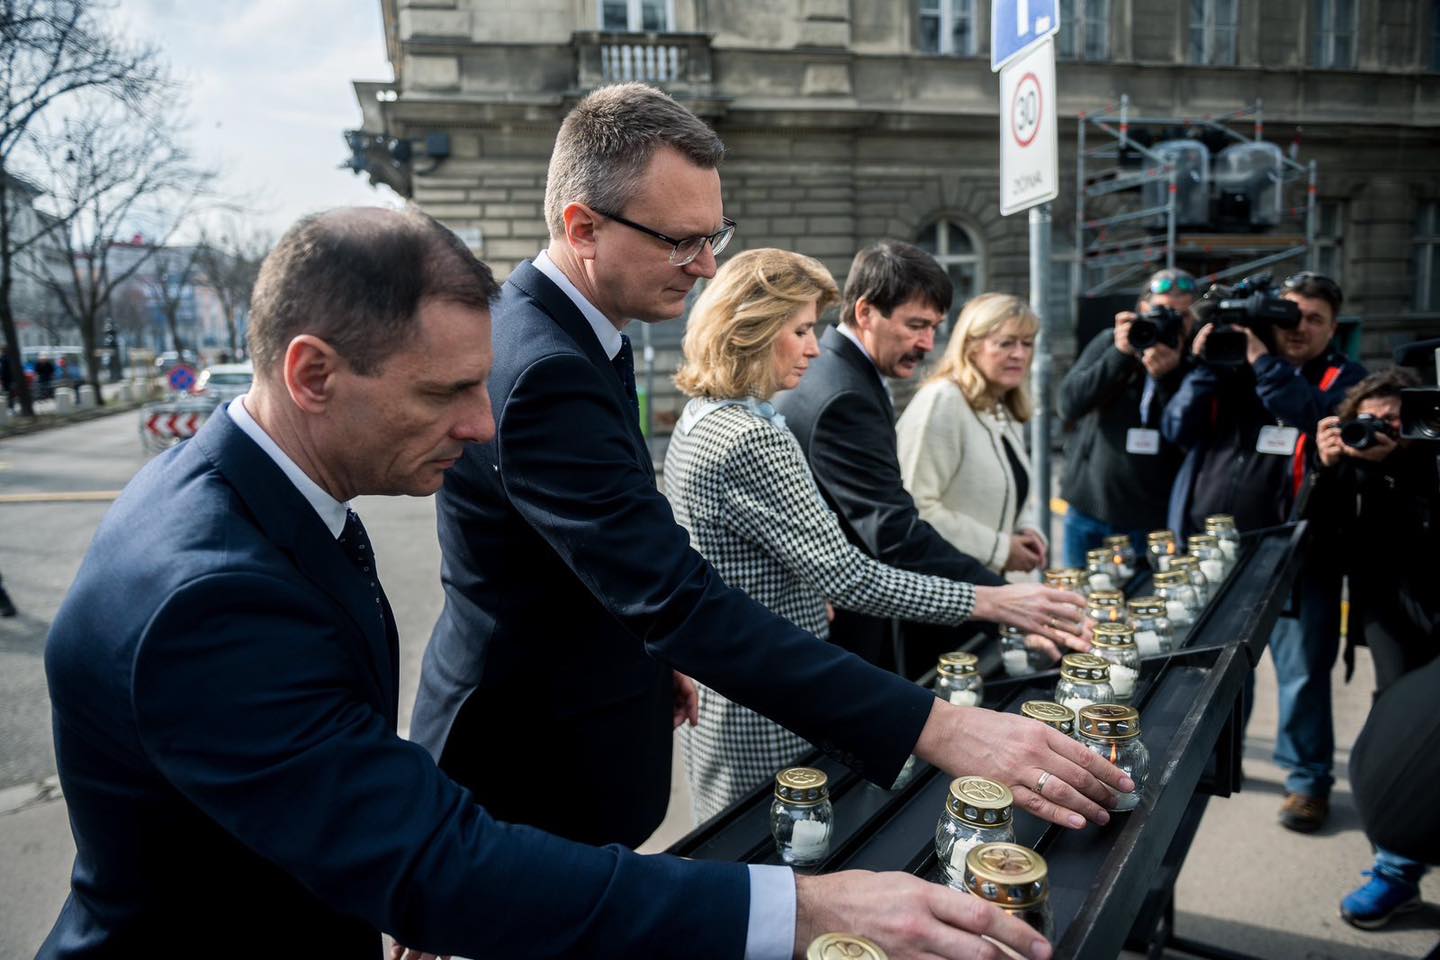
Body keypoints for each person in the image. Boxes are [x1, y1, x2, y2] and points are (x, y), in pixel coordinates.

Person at [412, 84, 1127, 957]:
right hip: (532, 756)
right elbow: (677, 594)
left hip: (583, 718)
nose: (706, 266)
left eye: (714, 235)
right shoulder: (546, 363)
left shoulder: (573, 329)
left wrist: (650, 656)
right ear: (583, 226)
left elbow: (601, 547)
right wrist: (938, 725)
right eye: (680, 240)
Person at [664, 251, 1086, 819]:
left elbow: (735, 553)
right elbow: (849, 574)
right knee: (779, 854)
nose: (814, 348)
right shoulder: (751, 436)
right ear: (750, 330)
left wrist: (802, 586)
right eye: (800, 330)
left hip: (735, 686)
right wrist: (992, 601)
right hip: (770, 700)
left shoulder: (704, 415)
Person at [774, 241, 1086, 676]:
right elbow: (896, 533)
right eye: (916, 325)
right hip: (846, 628)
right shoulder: (844, 391)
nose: (927, 343)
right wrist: (1003, 600)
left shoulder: (845, 374)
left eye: (935, 327)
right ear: (865, 313)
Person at [1162, 271, 1365, 834]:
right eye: (1288, 314)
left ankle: (1307, 783)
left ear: (1333, 328)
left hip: (1302, 552)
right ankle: (1218, 761)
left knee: (1302, 673)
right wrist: (1206, 365)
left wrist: (1264, 362)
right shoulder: (1234, 366)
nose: (1298, 327)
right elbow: (1178, 427)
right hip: (1220, 550)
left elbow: (1314, 416)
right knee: (1220, 669)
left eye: (1314, 319)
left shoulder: (1347, 379)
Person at [1310, 368, 1440, 928]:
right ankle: (1396, 869)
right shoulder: (1349, 465)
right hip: (1389, 612)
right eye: (1369, 420)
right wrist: (1325, 470)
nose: (1380, 431)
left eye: (1393, 422)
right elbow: (1315, 537)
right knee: (1400, 723)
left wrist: (1398, 468)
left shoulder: (1429, 461)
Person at [896, 292, 1046, 578]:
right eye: (1005, 343)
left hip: (995, 588)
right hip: (953, 590)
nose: (1019, 354)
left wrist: (1028, 530)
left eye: (1027, 343)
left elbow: (1013, 494)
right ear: (971, 346)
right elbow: (915, 508)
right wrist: (1000, 549)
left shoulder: (1002, 404)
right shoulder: (943, 400)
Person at [1056, 268, 1197, 568]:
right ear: (1142, 309)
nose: (1170, 321)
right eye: (1161, 311)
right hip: (1091, 509)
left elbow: (1190, 433)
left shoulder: (1195, 358)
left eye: (1181, 315)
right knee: (1078, 595)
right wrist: (1120, 354)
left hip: (1154, 520)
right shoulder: (1113, 342)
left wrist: (1168, 378)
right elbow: (1069, 403)